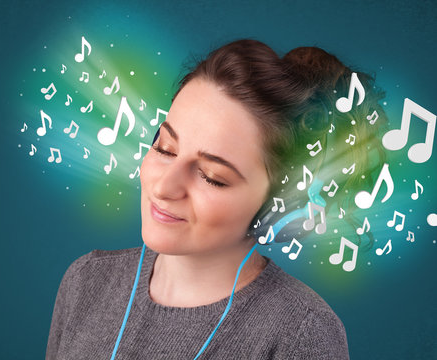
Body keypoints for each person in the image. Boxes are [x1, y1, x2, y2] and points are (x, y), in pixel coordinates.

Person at [46, 39, 386, 359]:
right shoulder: (86, 281)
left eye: (212, 177)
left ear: (277, 205)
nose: (164, 187)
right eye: (164, 148)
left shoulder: (302, 333)